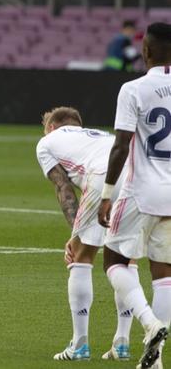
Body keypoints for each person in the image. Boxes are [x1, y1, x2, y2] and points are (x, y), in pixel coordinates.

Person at [98, 22, 171, 369]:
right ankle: (155, 362)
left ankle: (149, 323)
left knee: (113, 261)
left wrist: (106, 194)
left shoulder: (134, 89)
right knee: (165, 274)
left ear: (145, 52)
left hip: (142, 191)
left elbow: (121, 145)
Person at [36, 106, 135, 362]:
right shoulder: (99, 135)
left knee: (80, 258)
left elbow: (64, 189)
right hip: (134, 175)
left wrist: (75, 233)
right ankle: (122, 343)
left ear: (51, 127)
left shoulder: (47, 142)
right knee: (126, 259)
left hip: (101, 176)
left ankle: (79, 346)